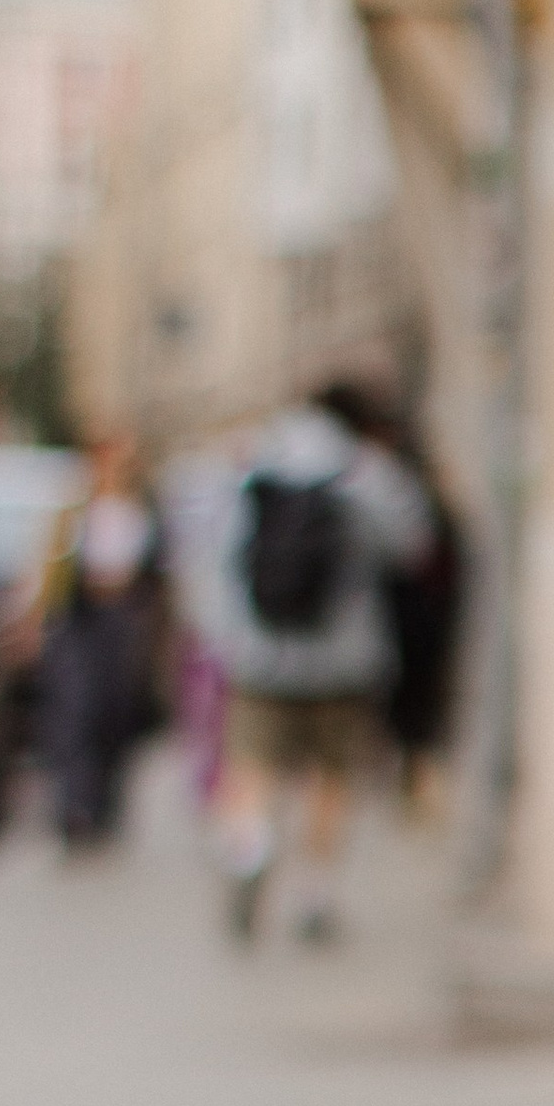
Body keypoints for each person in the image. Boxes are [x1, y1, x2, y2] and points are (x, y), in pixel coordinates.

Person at [186, 396, 435, 941]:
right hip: (344, 662)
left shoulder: (250, 468)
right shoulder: (361, 471)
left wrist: (222, 640)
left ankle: (251, 850)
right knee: (331, 775)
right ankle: (315, 893)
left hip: (260, 659)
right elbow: (411, 545)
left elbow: (212, 558)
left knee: (251, 767)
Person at [311, 375, 469, 818]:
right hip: (386, 631)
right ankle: (415, 794)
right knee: (339, 765)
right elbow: (418, 547)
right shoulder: (380, 475)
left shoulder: (302, 467)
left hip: (321, 640)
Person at [38, 436, 160, 846]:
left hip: (123, 620)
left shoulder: (142, 508)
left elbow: (154, 572)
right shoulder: (75, 508)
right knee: (76, 711)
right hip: (80, 619)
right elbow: (51, 565)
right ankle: (75, 807)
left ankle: (106, 805)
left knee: (115, 713)